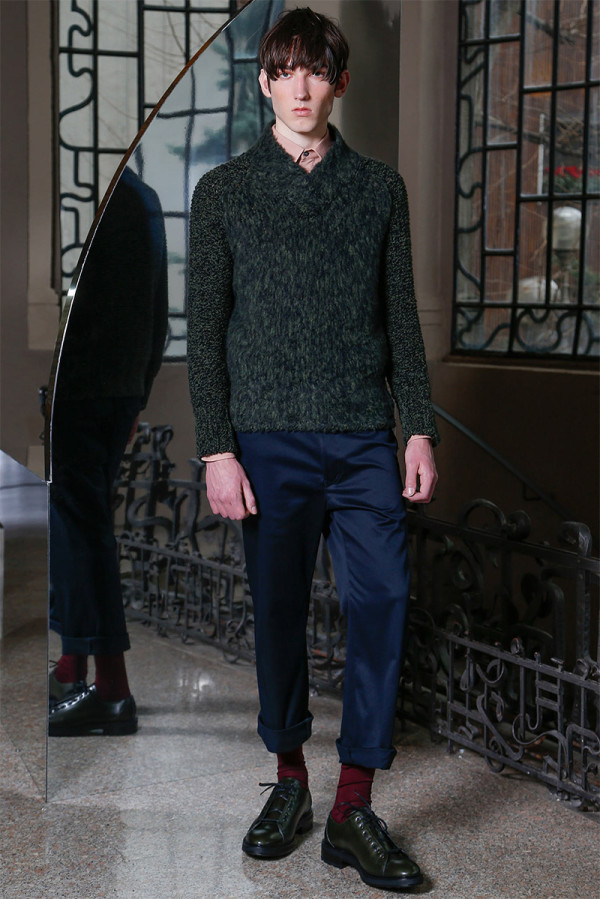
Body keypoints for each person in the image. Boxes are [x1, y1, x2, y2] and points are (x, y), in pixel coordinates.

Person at [187, 8, 438, 891]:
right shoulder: (224, 192)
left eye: (317, 71)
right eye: (285, 70)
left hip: (364, 436)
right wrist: (216, 449)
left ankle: (352, 806)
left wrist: (417, 425)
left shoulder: (378, 189)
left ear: (339, 83)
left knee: (384, 598)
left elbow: (401, 319)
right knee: (279, 610)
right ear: (264, 82)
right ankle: (290, 780)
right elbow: (205, 332)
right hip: (265, 440)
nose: (300, 87)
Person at [48, 167, 168, 737]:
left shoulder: (88, 189)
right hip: (115, 387)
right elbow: (159, 313)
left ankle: (112, 690)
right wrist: (137, 391)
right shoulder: (141, 194)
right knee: (79, 527)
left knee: (81, 531)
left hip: (79, 385)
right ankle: (73, 667)